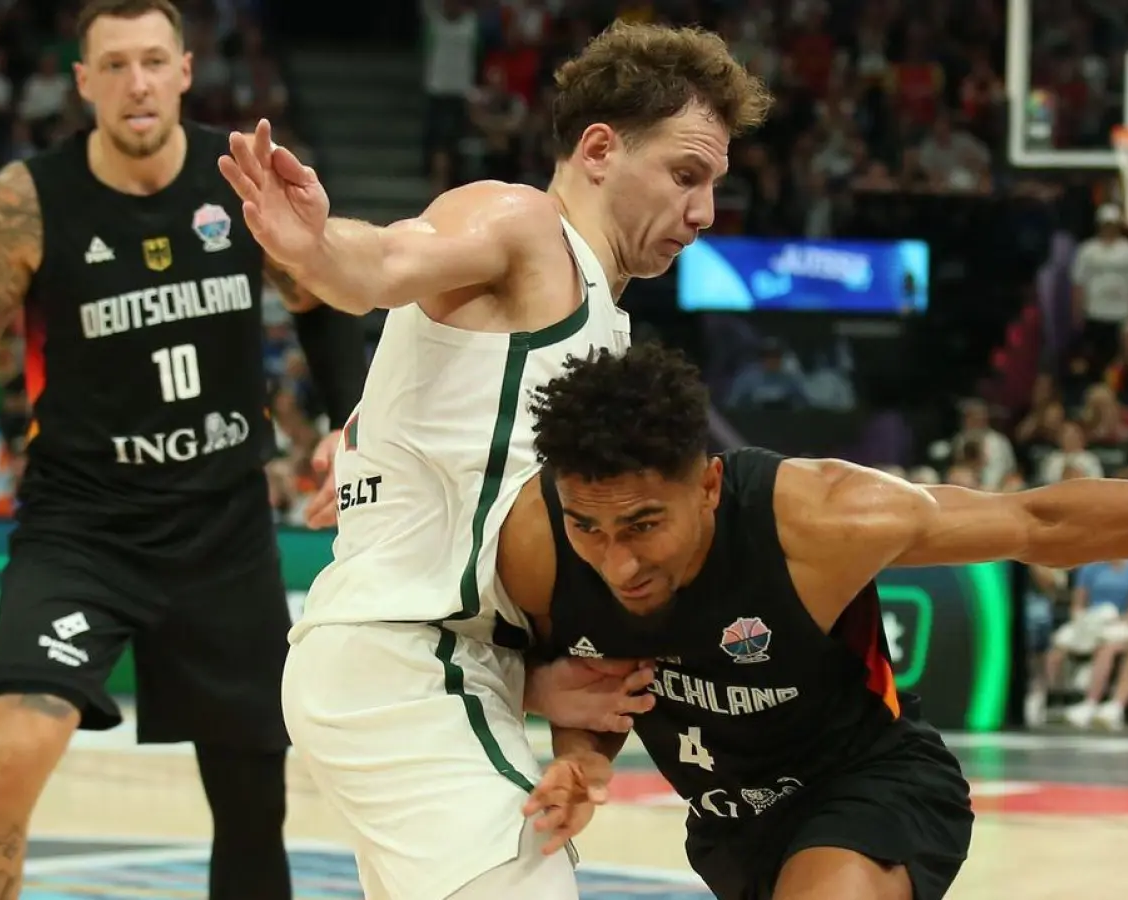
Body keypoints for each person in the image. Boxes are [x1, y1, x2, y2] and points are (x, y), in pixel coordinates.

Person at [502, 342, 1128, 900]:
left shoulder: (823, 521)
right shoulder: (537, 548)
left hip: (870, 781)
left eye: (645, 526)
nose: (618, 561)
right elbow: (590, 678)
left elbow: (1042, 524)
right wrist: (582, 758)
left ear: (706, 483)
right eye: (592, 527)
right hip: (729, 827)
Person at [219, 20, 773, 900]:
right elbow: (392, 259)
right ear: (599, 149)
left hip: (443, 669)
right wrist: (319, 247)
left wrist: (536, 684)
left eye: (712, 185)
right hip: (405, 663)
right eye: (685, 175)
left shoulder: (603, 331)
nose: (703, 212)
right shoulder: (522, 226)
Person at [0, 2, 375, 898]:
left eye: (154, 60)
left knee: (254, 800)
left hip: (223, 526)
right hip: (82, 527)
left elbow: (322, 300)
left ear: (182, 71)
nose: (137, 81)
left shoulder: (239, 182)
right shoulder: (29, 197)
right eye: (116, 64)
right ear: (84, 81)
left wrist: (348, 427)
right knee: (17, 748)